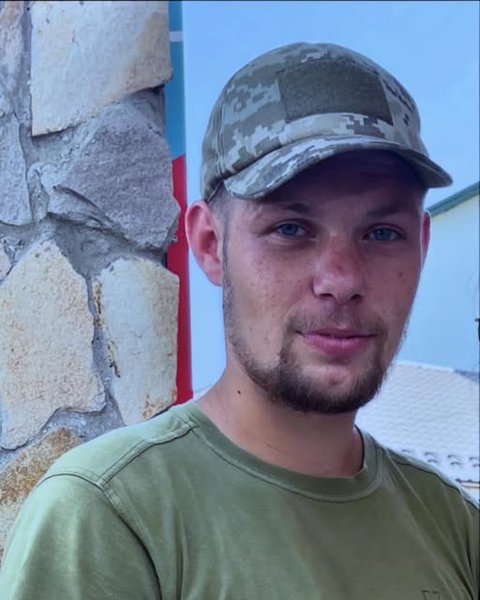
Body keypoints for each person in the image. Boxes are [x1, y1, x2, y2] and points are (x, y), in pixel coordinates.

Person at [1, 42, 478, 599]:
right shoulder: (108, 518)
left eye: (382, 233)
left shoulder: (455, 527)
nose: (342, 278)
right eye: (290, 229)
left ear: (421, 247)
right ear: (210, 244)